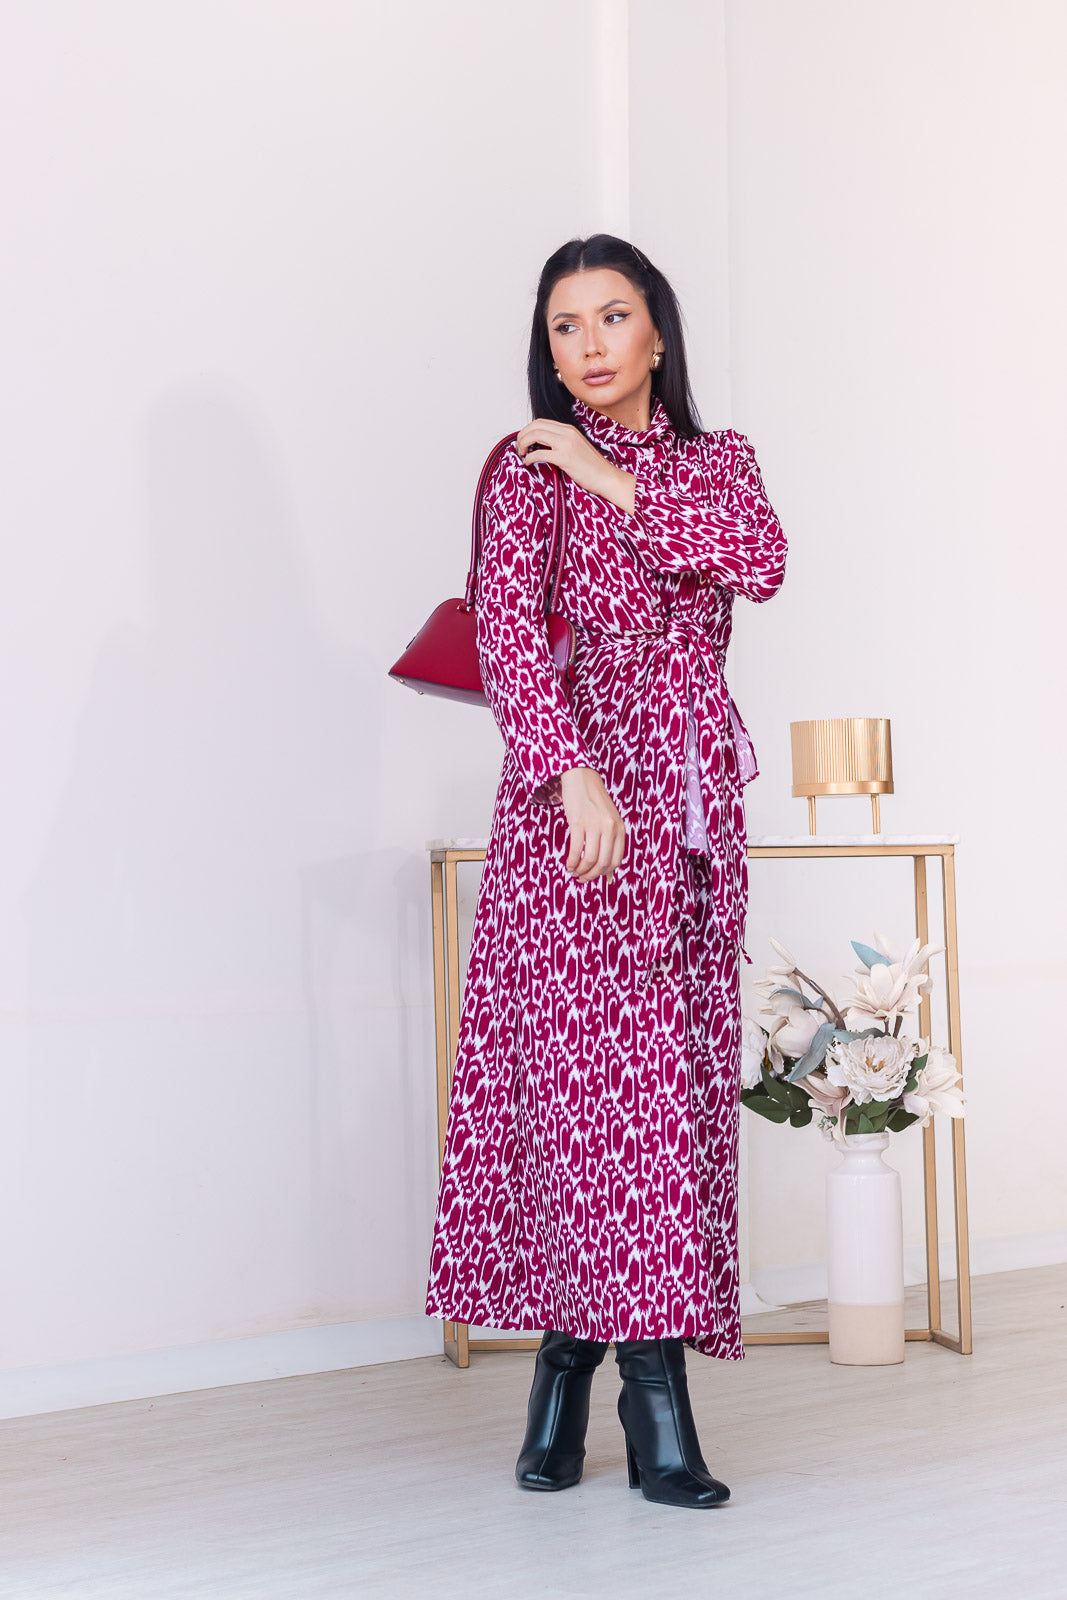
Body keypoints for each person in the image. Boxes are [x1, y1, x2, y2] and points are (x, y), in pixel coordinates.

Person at [424, 233, 787, 1509]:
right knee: (593, 1103)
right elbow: (510, 639)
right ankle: (629, 1393)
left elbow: (758, 562)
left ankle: (581, 1371)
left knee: (662, 1104)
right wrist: (568, 770)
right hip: (576, 811)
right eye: (563, 325)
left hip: (690, 810)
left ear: (656, 332)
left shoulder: (717, 462)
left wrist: (609, 473)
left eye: (610, 317)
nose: (586, 345)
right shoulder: (526, 466)